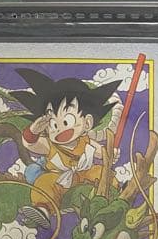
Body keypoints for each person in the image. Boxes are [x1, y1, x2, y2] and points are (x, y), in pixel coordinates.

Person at [12, 68, 122, 228]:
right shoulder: (49, 144)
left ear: (87, 123)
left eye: (66, 122)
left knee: (100, 172)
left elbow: (103, 154)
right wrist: (33, 131)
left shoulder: (87, 142)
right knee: (44, 182)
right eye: (53, 125)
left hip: (85, 175)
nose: (59, 129)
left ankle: (116, 193)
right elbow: (30, 144)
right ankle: (43, 209)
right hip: (58, 179)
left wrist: (111, 155)